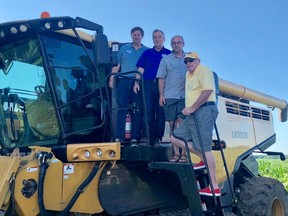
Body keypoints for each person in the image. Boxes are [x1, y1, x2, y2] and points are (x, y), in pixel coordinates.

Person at [170, 52, 220, 196]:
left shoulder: (204, 70)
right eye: (186, 61)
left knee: (205, 148)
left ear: (198, 60)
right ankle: (202, 158)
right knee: (175, 137)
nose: (188, 63)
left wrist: (192, 107)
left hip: (204, 110)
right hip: (192, 114)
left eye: (191, 60)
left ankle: (214, 187)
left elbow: (208, 91)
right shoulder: (188, 75)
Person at [109, 27, 148, 143]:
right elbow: (117, 65)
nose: (136, 36)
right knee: (122, 109)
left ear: (142, 36)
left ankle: (135, 137)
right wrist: (111, 78)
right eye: (134, 34)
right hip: (124, 81)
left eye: (138, 35)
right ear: (131, 36)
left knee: (137, 110)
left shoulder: (146, 51)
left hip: (138, 82)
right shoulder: (124, 49)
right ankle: (119, 137)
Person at [134, 29, 171, 146]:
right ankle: (146, 137)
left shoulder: (169, 54)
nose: (157, 39)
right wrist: (136, 82)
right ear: (152, 39)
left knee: (160, 113)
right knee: (148, 111)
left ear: (164, 39)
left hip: (163, 86)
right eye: (155, 37)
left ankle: (157, 138)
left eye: (159, 37)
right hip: (148, 84)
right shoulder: (147, 53)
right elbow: (140, 69)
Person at [156, 35, 187, 162]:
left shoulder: (189, 59)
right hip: (170, 95)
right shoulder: (166, 60)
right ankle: (176, 154)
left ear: (183, 44)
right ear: (171, 44)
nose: (176, 45)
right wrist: (161, 95)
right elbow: (161, 78)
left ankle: (184, 154)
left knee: (183, 124)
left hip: (185, 96)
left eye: (178, 42)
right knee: (172, 125)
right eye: (173, 43)